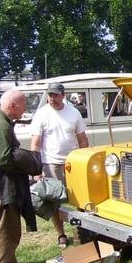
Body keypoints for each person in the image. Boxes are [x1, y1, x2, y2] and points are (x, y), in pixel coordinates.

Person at [0, 89, 40, 263]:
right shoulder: (1, 125)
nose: (25, 108)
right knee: (8, 228)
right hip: (2, 183)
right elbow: (2, 159)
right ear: (12, 106)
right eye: (23, 104)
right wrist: (22, 166)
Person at [30, 82, 89, 248]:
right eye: (50, 95)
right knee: (54, 201)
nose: (52, 98)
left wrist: (85, 162)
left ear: (63, 95)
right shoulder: (42, 114)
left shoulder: (74, 112)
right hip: (50, 164)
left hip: (73, 163)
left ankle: (82, 232)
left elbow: (82, 139)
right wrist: (36, 169)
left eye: (55, 95)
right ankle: (61, 234)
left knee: (81, 199)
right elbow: (35, 143)